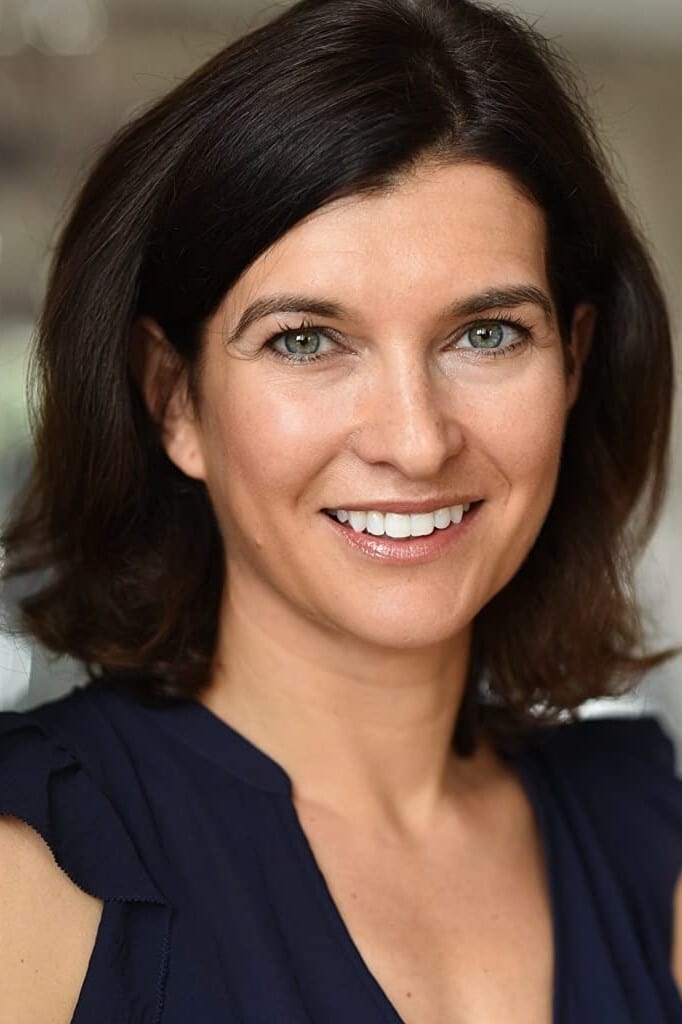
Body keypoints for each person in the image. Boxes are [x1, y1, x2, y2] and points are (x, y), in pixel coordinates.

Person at [0, 0, 680, 1019]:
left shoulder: (650, 842)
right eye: (306, 340)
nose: (415, 440)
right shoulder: (27, 877)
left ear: (574, 361)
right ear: (174, 398)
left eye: (487, 334)